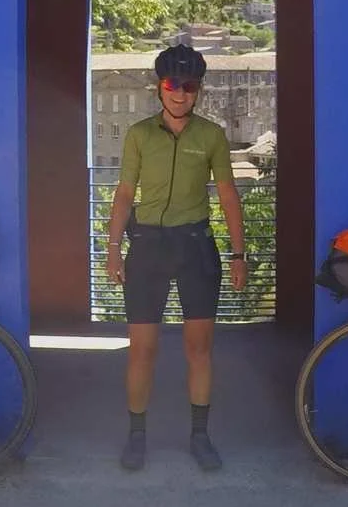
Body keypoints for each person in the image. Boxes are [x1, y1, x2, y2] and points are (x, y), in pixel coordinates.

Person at [105, 43, 248, 472]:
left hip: (195, 247)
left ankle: (200, 436)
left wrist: (239, 253)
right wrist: (113, 248)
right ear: (159, 88)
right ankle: (136, 437)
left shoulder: (211, 136)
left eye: (189, 86)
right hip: (147, 247)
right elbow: (125, 194)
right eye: (172, 84)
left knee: (199, 348)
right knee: (142, 350)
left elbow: (227, 195)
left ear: (198, 90)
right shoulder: (138, 135)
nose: (180, 93)